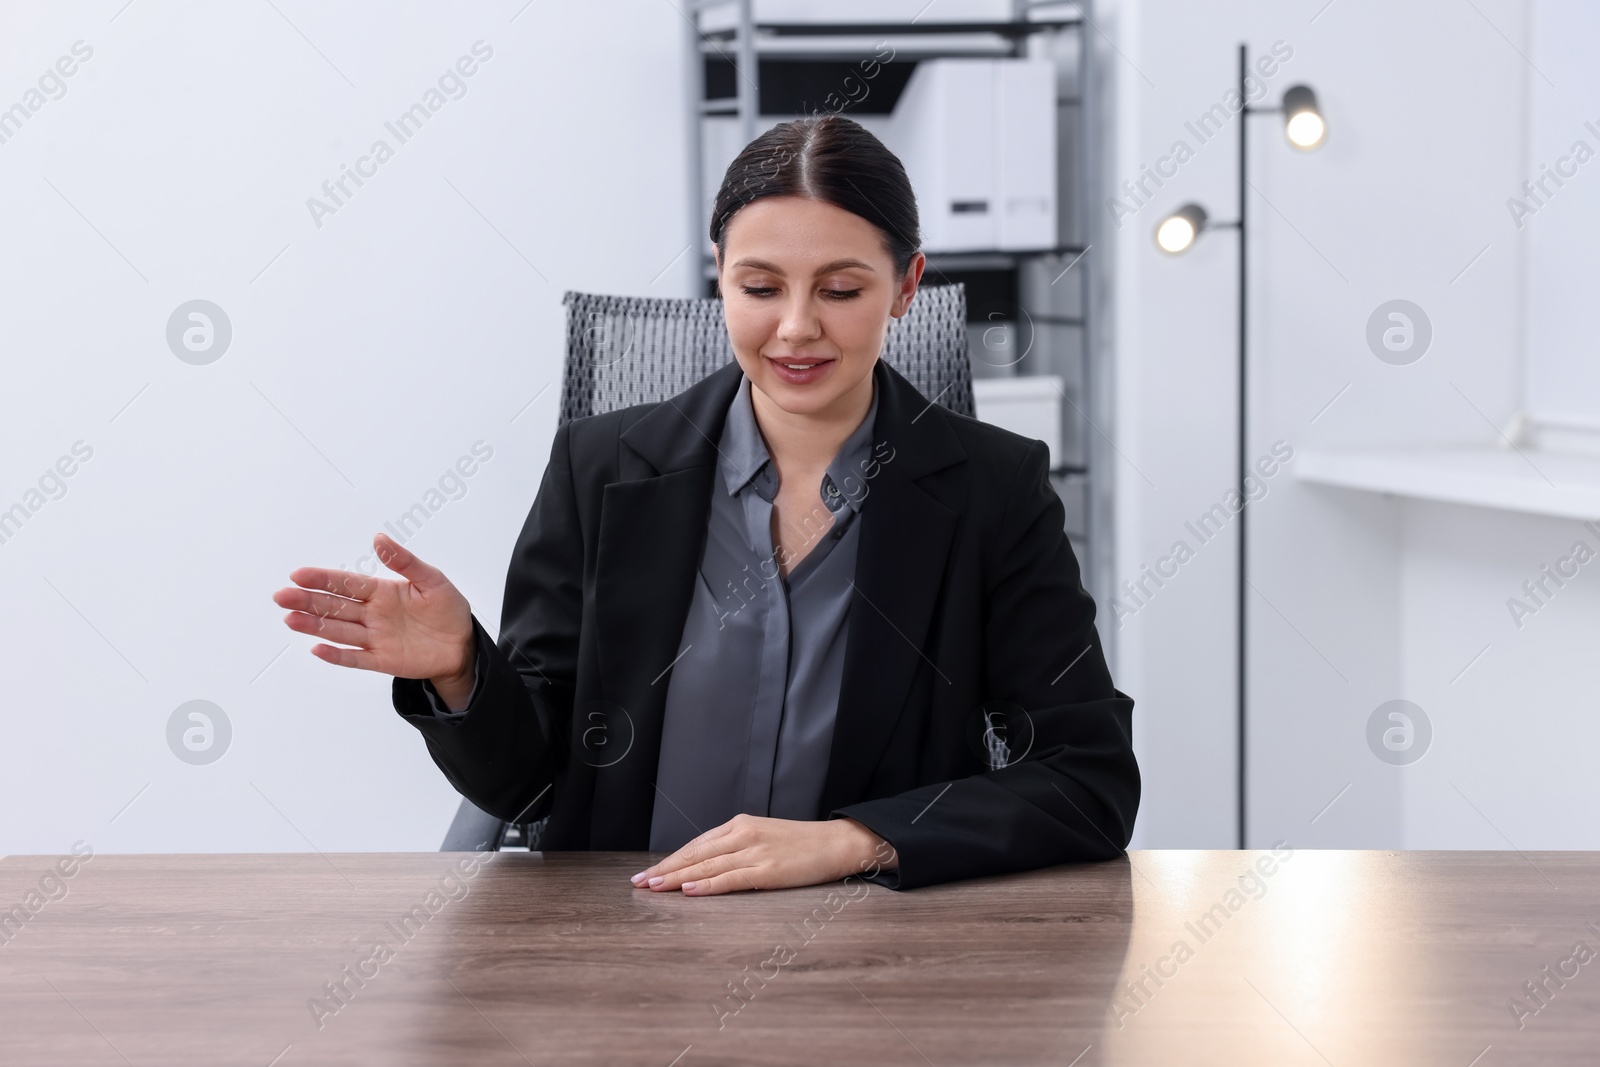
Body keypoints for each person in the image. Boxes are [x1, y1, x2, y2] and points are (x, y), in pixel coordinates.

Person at [272, 114, 1139, 893]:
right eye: (760, 288)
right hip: (619, 942)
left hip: (866, 951)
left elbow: (1086, 780)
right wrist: (461, 668)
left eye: (840, 290)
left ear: (906, 286)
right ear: (719, 277)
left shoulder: (994, 489)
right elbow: (527, 784)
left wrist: (855, 840)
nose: (797, 327)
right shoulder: (601, 467)